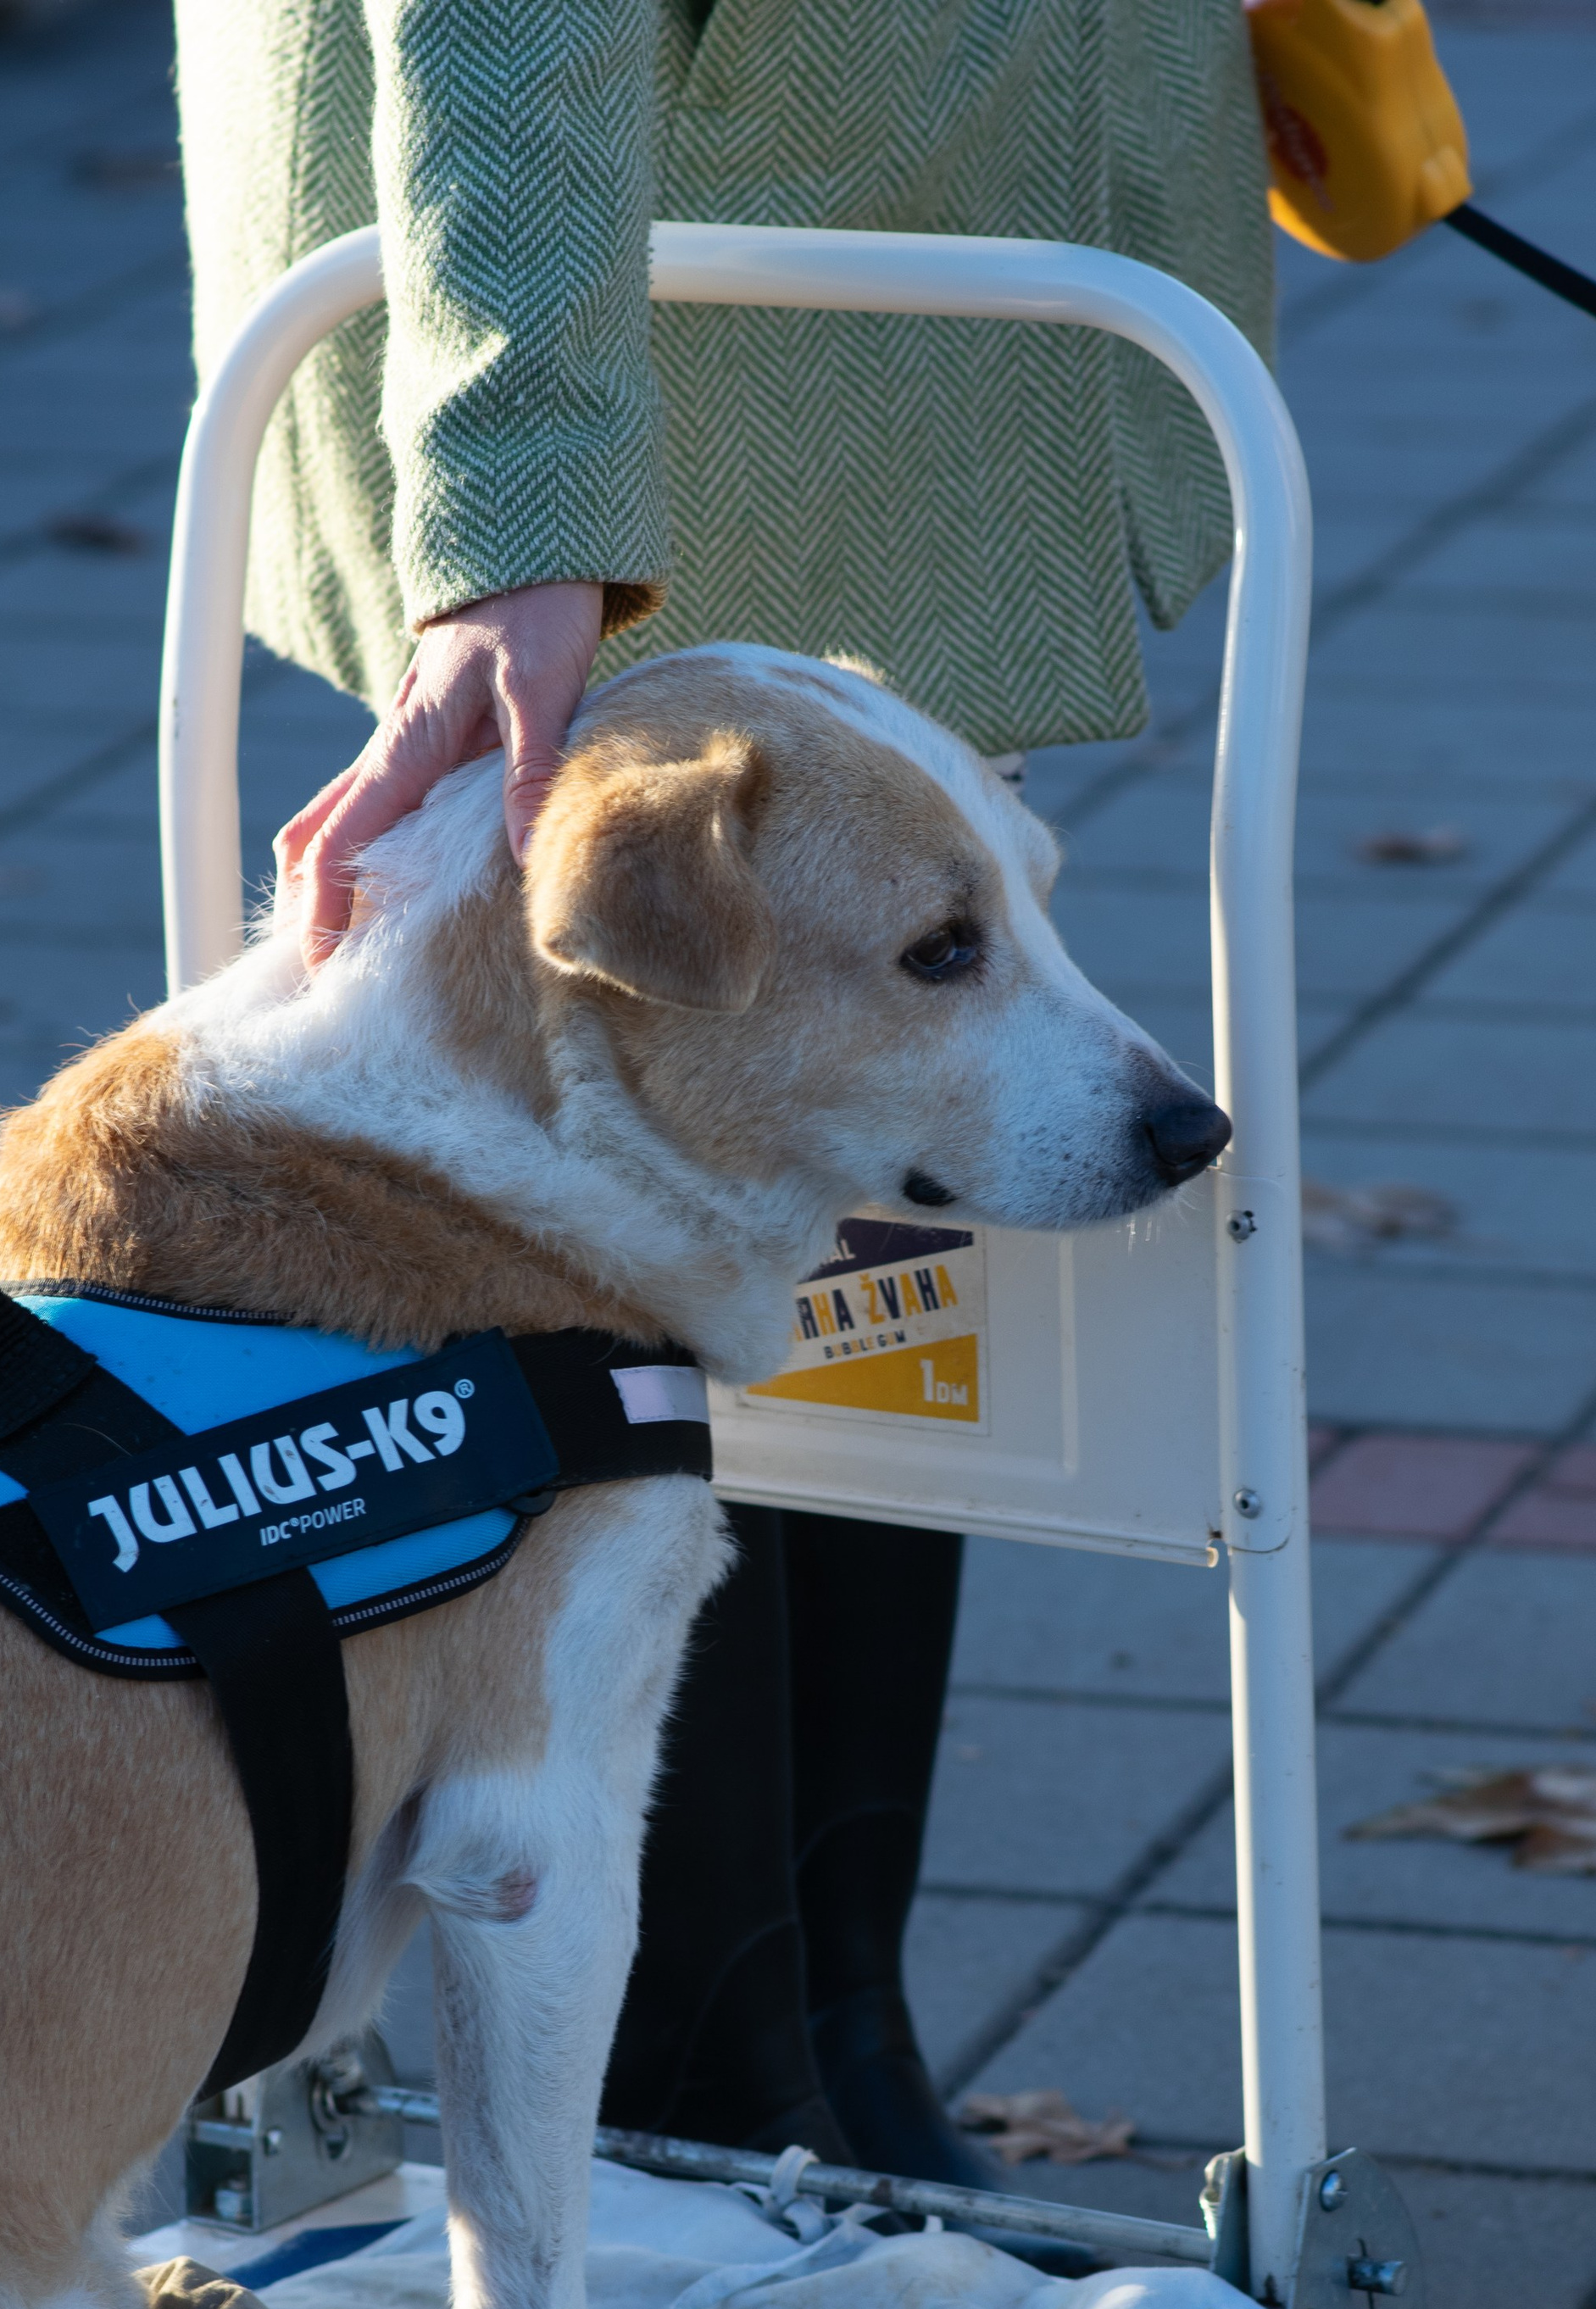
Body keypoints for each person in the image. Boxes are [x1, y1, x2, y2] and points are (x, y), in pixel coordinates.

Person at [173, 0, 1273, 2183]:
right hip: (662, 280)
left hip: (904, 242)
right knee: (620, 1200)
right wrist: (517, 493)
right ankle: (700, 2082)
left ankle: (826, 2030)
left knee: (863, 1201)